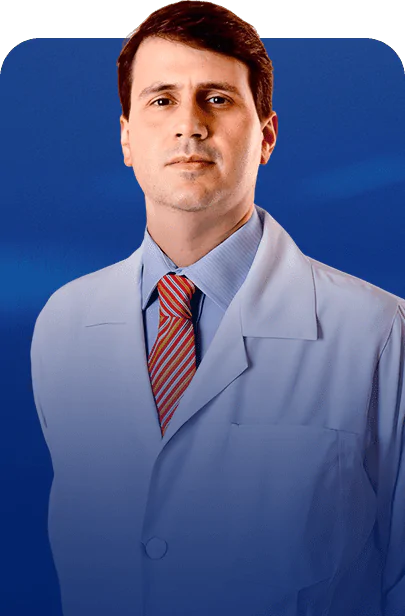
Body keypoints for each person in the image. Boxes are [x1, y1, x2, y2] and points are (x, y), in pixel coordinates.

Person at [30, 2, 405, 615]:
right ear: (126, 137)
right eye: (161, 100)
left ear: (267, 136)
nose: (189, 125)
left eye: (218, 99)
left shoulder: (378, 335)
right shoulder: (63, 326)